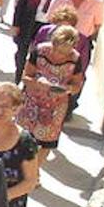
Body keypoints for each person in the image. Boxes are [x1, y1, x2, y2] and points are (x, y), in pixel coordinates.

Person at [18, 24, 83, 159]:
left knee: (46, 143)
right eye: (57, 50)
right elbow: (26, 77)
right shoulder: (40, 51)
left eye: (64, 53)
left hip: (55, 108)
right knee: (22, 138)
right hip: (32, 102)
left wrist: (67, 89)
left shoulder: (75, 59)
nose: (58, 55)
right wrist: (38, 82)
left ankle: (35, 172)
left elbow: (77, 85)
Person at [12, 0, 68, 81]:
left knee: (39, 53)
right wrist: (16, 24)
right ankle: (18, 75)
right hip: (29, 22)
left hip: (47, 26)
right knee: (21, 51)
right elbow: (21, 4)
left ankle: (30, 77)